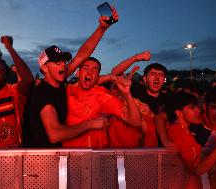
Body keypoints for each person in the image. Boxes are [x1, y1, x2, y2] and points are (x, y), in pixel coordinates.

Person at [23, 7, 119, 148]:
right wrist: (91, 123)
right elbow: (55, 134)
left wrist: (102, 28)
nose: (62, 65)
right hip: (39, 160)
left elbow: (82, 55)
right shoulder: (42, 93)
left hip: (55, 157)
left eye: (63, 61)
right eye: (57, 62)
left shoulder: (58, 81)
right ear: (44, 68)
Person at [63, 57, 141, 148]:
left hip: (96, 156)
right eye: (85, 68)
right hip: (69, 154)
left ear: (98, 76)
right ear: (78, 73)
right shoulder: (66, 92)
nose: (89, 72)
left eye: (94, 70)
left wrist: (127, 94)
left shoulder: (103, 95)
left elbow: (136, 122)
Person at [166, 92, 216, 189]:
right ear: (179, 113)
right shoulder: (180, 133)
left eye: (196, 106)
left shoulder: (183, 130)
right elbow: (198, 169)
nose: (198, 110)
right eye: (192, 107)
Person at [111, 58, 174, 149]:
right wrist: (137, 57)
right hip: (135, 147)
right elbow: (115, 73)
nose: (157, 77)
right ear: (144, 78)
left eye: (160, 75)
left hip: (160, 148)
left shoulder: (169, 99)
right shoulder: (136, 90)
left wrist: (151, 114)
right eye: (153, 74)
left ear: (164, 79)